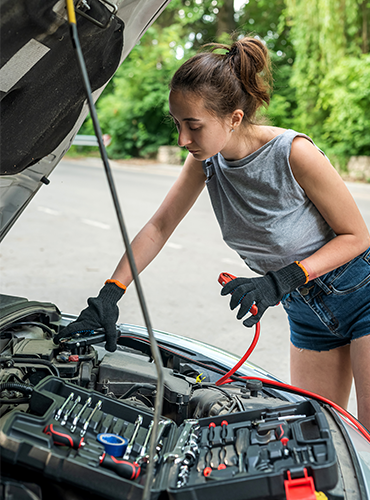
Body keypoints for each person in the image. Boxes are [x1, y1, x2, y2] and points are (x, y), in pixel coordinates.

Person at [55, 36, 370, 429]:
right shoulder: (207, 162)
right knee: (316, 433)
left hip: (360, 295)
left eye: (194, 126)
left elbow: (357, 237)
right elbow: (159, 226)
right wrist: (109, 294)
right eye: (177, 124)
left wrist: (280, 281)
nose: (183, 139)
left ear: (234, 118)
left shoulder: (293, 153)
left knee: (367, 438)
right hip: (304, 310)